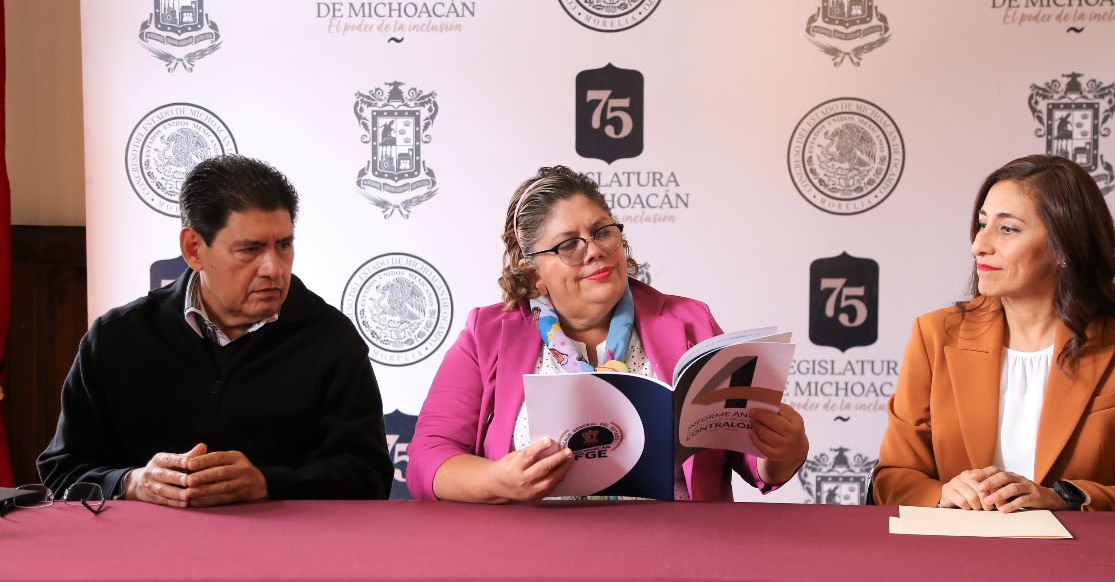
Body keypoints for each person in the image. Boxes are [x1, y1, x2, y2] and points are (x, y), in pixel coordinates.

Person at [407, 165, 809, 502]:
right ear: (532, 272)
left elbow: (750, 458)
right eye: (569, 244)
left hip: (675, 552)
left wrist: (782, 451)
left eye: (602, 232)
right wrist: (497, 481)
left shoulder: (690, 321)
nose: (595, 250)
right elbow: (428, 458)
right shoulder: (486, 335)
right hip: (534, 552)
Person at [37, 155, 392, 505]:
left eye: (283, 245)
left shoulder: (330, 339)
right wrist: (131, 482)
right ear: (194, 249)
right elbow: (61, 470)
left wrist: (268, 484)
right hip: (143, 540)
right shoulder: (118, 336)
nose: (273, 268)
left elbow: (369, 477)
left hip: (280, 541)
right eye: (250, 249)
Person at [873, 154, 1115, 512]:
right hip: (959, 544)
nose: (979, 244)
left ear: (1065, 247)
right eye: (982, 224)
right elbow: (894, 478)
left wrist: (1063, 498)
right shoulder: (934, 335)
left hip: (1081, 548)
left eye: (1007, 229)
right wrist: (944, 493)